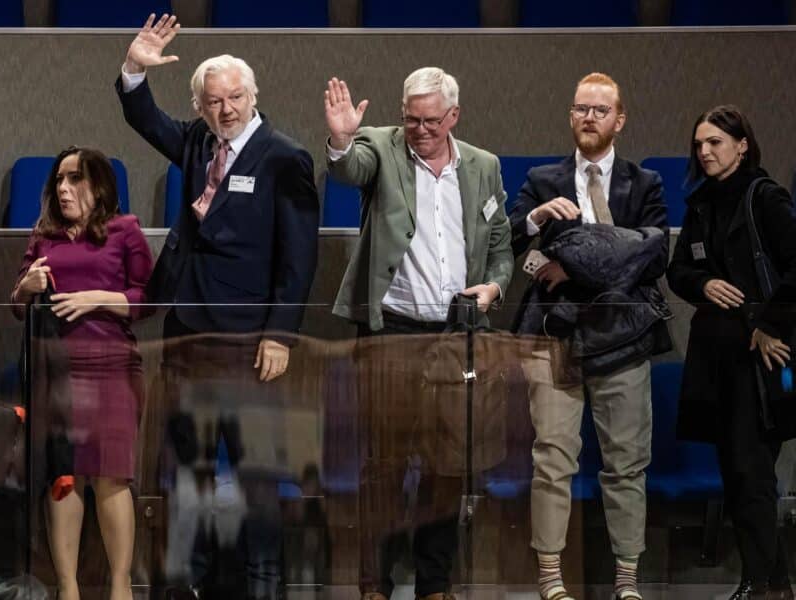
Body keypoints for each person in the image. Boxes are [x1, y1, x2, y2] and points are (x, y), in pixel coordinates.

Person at [115, 13, 319, 600]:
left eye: (234, 98)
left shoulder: (285, 158)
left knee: (256, 479)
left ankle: (263, 586)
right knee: (185, 477)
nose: (225, 109)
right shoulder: (198, 141)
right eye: (213, 101)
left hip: (250, 347)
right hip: (187, 338)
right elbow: (144, 117)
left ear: (253, 97)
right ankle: (184, 584)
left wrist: (280, 335)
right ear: (200, 106)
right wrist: (133, 68)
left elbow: (298, 259)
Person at [325, 67, 513, 600]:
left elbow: (501, 247)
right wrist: (340, 139)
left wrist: (494, 289)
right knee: (383, 464)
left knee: (448, 465)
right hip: (392, 330)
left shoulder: (484, 166)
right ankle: (374, 585)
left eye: (432, 120)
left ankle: (434, 584)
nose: (421, 129)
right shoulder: (381, 147)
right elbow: (350, 169)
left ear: (454, 116)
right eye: (411, 119)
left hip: (457, 333)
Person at [508, 73, 670, 600]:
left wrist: (576, 264)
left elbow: (655, 257)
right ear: (571, 115)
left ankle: (627, 580)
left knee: (626, 463)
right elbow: (515, 246)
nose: (589, 118)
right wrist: (535, 221)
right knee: (552, 460)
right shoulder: (541, 179)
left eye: (600, 110)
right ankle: (551, 579)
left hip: (623, 340)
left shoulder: (644, 184)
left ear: (619, 119)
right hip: (554, 337)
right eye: (581, 108)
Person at [11, 146, 154, 600]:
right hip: (56, 368)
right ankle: (67, 589)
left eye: (75, 179)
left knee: (112, 475)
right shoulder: (45, 236)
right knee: (64, 475)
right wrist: (25, 287)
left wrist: (96, 298)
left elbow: (148, 299)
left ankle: (120, 585)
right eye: (59, 181)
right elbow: (16, 306)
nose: (64, 189)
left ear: (100, 186)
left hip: (112, 364)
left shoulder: (125, 230)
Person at [667, 105, 796, 600]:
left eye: (715, 142)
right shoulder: (700, 202)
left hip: (761, 360)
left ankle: (761, 584)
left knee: (752, 474)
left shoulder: (765, 197)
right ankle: (773, 583)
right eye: (698, 144)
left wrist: (766, 324)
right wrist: (705, 282)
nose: (704, 152)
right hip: (717, 361)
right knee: (737, 473)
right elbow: (679, 272)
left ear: (742, 145)